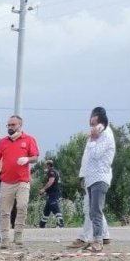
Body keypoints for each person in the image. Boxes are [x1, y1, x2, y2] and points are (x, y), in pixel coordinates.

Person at [0, 115, 39, 248]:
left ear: (20, 125)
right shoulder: (2, 142)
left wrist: (27, 159)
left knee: (22, 205)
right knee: (4, 211)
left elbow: (35, 157)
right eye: (8, 125)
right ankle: (5, 238)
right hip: (6, 181)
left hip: (23, 180)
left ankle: (18, 234)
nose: (10, 127)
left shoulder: (29, 139)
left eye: (13, 125)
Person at [71, 106, 116, 253]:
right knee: (92, 211)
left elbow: (96, 154)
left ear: (102, 123)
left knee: (95, 211)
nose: (92, 127)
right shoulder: (96, 136)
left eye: (94, 124)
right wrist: (83, 175)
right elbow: (87, 158)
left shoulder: (105, 135)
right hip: (91, 177)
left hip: (100, 177)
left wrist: (93, 139)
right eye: (91, 124)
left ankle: (97, 241)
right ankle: (101, 236)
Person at [38, 159, 63, 228]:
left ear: (48, 165)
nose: (44, 166)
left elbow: (51, 181)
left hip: (53, 192)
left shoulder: (51, 171)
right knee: (47, 209)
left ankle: (60, 223)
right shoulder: (55, 171)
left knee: (54, 206)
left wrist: (43, 189)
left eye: (45, 165)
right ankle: (42, 224)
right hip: (52, 192)